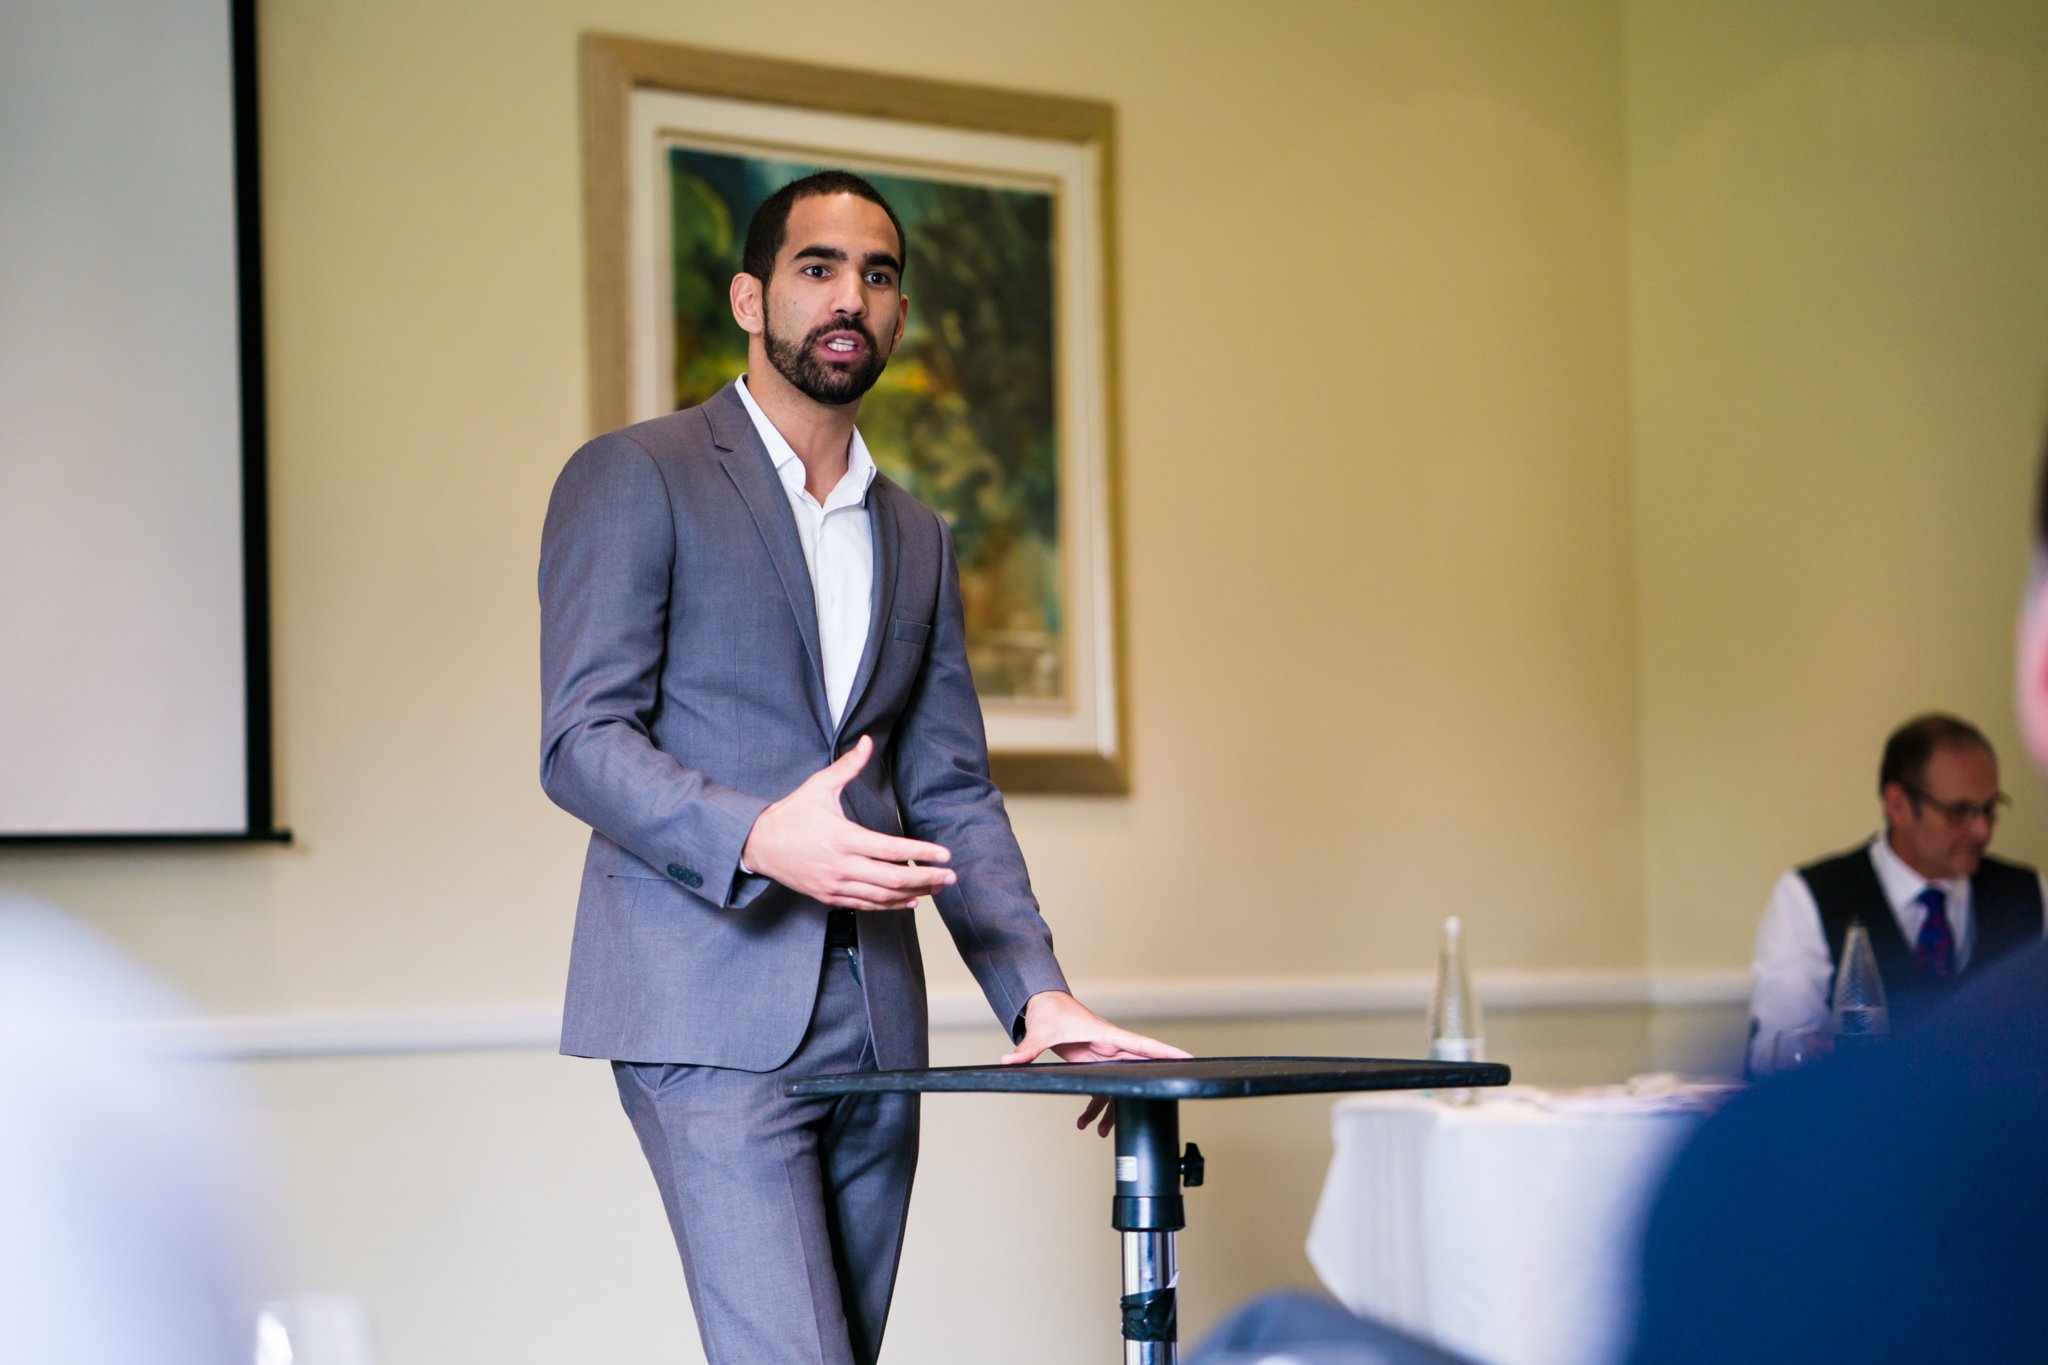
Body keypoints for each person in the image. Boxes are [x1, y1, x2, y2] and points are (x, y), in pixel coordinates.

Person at [538, 169, 1185, 1365]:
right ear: (750, 298)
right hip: (706, 1012)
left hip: (879, 1024)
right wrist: (756, 835)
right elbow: (580, 742)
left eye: (877, 275)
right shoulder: (637, 475)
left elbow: (950, 789)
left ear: (897, 314)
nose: (850, 296)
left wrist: (1035, 992)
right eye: (817, 267)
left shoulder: (918, 536)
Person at [1745, 712, 2045, 1071]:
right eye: (1959, 812)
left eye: (1990, 808)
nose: (1982, 830)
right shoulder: (1807, 898)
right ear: (1898, 805)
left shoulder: (2031, 894)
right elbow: (1776, 1056)